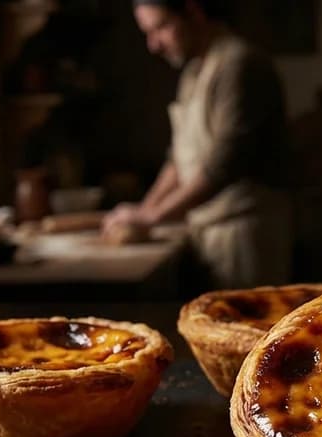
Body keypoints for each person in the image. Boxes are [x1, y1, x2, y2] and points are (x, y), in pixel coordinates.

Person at [103, 0, 292, 289]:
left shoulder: (238, 64)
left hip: (242, 234)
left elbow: (223, 164)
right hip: (205, 230)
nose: (154, 45)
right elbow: (178, 161)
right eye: (147, 33)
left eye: (161, 28)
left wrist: (151, 217)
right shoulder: (194, 72)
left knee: (247, 333)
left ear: (193, 12)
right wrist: (141, 211)